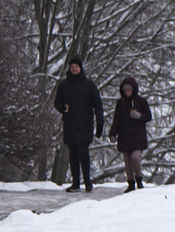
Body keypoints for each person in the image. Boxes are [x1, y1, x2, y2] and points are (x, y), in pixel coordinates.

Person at [52, 58, 105, 192]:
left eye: (76, 66)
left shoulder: (89, 85)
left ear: (81, 68)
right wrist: (63, 108)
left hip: (85, 124)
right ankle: (76, 182)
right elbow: (57, 102)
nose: (74, 69)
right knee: (73, 154)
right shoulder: (64, 85)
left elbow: (98, 104)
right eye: (72, 66)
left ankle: (87, 181)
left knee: (83, 152)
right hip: (70, 124)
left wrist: (100, 123)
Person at [112, 77, 152, 192]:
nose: (127, 92)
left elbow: (148, 116)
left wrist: (139, 116)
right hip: (124, 136)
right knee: (127, 161)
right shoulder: (120, 103)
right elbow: (117, 120)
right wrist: (113, 134)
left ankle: (139, 180)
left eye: (129, 90)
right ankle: (130, 183)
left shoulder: (141, 101)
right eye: (125, 90)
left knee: (135, 158)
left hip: (138, 136)